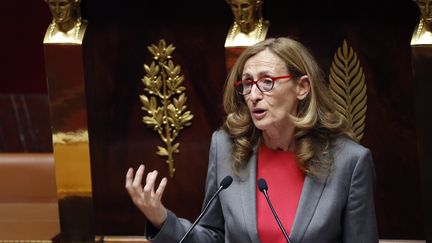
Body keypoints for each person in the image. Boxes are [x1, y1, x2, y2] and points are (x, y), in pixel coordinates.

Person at [125, 37, 379, 242]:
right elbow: (213, 236)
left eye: (267, 82)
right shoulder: (227, 148)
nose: (254, 95)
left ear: (302, 87)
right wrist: (160, 218)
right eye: (247, 84)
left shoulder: (350, 162)